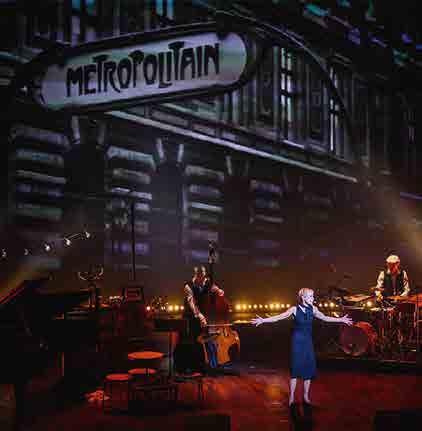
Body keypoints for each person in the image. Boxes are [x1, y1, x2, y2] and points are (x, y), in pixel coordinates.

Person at [251, 288, 352, 410]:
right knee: (296, 369)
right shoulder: (294, 309)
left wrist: (341, 319)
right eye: (310, 296)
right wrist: (263, 320)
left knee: (308, 369)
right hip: (297, 341)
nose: (312, 298)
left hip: (308, 342)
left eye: (313, 296)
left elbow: (325, 317)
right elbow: (279, 317)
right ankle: (292, 397)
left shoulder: (313, 309)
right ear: (303, 297)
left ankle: (305, 396)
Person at [183, 265, 224, 368]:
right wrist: (200, 316)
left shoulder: (206, 282)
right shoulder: (188, 286)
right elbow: (192, 304)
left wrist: (219, 290)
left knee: (209, 339)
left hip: (204, 315)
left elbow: (213, 287)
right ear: (196, 275)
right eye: (200, 276)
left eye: (204, 276)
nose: (203, 279)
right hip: (191, 316)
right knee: (196, 341)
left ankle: (212, 364)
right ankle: (196, 366)